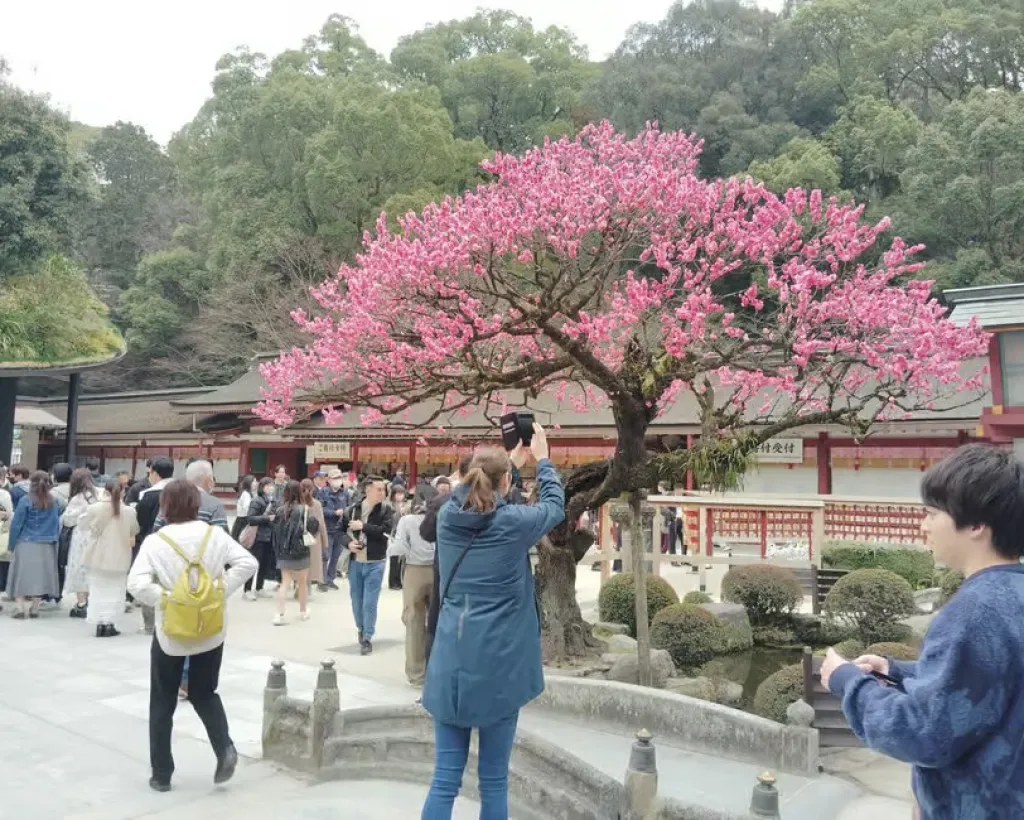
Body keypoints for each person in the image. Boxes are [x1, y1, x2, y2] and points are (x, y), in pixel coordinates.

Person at [819, 444, 1024, 820]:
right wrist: (898, 672)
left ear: (977, 525)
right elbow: (989, 680)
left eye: (931, 514)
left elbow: (925, 733)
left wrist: (848, 682)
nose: (922, 525)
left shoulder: (975, 610)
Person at [421, 423, 563, 819]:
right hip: (499, 666)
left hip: (452, 660)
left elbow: (476, 492)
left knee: (445, 778)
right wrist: (544, 460)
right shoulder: (513, 523)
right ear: (504, 485)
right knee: (494, 780)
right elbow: (554, 507)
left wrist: (506, 467)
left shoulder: (448, 519)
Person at [127, 479, 257, 793]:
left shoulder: (157, 542)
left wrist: (167, 597)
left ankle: (162, 774)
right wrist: (220, 590)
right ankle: (224, 747)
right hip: (210, 628)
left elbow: (136, 584)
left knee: (162, 701)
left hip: (172, 631)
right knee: (205, 692)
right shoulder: (214, 534)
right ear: (197, 505)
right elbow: (248, 562)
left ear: (166, 506)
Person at [342, 476, 394, 655]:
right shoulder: (352, 509)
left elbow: (385, 533)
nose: (383, 493)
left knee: (370, 602)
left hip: (376, 562)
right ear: (368, 490)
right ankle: (361, 628)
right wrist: (348, 543)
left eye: (384, 489)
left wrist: (363, 526)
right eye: (379, 489)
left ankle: (367, 637)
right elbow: (340, 532)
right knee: (356, 600)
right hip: (356, 562)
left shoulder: (386, 510)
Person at [82, 478, 138, 637]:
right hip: (120, 557)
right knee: (115, 592)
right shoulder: (129, 511)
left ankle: (99, 623)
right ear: (123, 492)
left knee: (97, 590)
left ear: (105, 490)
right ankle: (109, 624)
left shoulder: (94, 508)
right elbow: (134, 530)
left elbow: (83, 525)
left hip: (96, 556)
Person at [389, 499, 434, 687]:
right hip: (439, 569)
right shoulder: (444, 516)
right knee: (438, 622)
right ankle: (436, 670)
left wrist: (390, 546)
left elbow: (399, 548)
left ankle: (417, 674)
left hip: (414, 571)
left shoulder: (406, 520)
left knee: (414, 622)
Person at [6, 471, 61, 618]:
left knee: (20, 575)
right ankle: (35, 608)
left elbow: (17, 524)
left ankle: (19, 608)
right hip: (47, 543)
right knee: (40, 577)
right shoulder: (54, 501)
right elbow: (56, 523)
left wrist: (11, 545)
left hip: (26, 542)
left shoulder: (26, 500)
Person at [270, 480, 318, 625]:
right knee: (302, 582)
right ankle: (303, 611)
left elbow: (275, 531)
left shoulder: (279, 510)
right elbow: (312, 528)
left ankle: (279, 614)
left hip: (284, 552)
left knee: (285, 583)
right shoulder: (305, 509)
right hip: (301, 551)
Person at [62, 468, 105, 619]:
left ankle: (82, 604)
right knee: (96, 568)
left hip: (81, 536)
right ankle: (96, 601)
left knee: (80, 568)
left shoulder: (77, 498)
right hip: (101, 535)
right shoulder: (102, 493)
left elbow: (67, 520)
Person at [154, 460, 228, 532]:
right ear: (209, 481)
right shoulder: (215, 504)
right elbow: (223, 536)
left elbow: (156, 529)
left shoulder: (171, 500)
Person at [244, 478, 277, 600]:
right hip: (257, 536)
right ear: (262, 487)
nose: (270, 488)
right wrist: (267, 519)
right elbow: (250, 518)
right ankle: (247, 589)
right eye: (267, 486)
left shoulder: (274, 501)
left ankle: (259, 587)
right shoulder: (256, 501)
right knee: (253, 563)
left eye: (271, 485)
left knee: (264, 563)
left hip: (269, 536)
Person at [320, 468, 351, 590]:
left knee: (336, 556)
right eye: (335, 478)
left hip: (340, 529)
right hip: (327, 528)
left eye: (339, 477)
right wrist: (334, 513)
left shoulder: (345, 493)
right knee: (325, 555)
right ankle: (321, 580)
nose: (338, 480)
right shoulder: (323, 492)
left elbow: (350, 507)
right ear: (329, 480)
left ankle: (330, 579)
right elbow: (320, 509)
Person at [300, 478, 327, 596]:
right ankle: (307, 589)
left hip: (299, 537)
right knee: (311, 563)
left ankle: (299, 587)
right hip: (313, 537)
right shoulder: (317, 504)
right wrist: (325, 540)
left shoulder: (298, 503)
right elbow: (321, 523)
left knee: (300, 563)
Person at [388, 485, 410, 591]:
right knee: (394, 559)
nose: (400, 496)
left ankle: (400, 580)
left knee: (402, 560)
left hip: (404, 533)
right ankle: (393, 581)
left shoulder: (407, 504)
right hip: (393, 533)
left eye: (401, 494)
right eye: (398, 493)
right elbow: (390, 518)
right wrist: (399, 512)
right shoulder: (389, 505)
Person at [232, 475, 255, 541]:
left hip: (242, 520)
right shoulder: (246, 494)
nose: (256, 483)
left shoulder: (248, 493)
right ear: (249, 483)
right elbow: (247, 508)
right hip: (243, 521)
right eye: (254, 481)